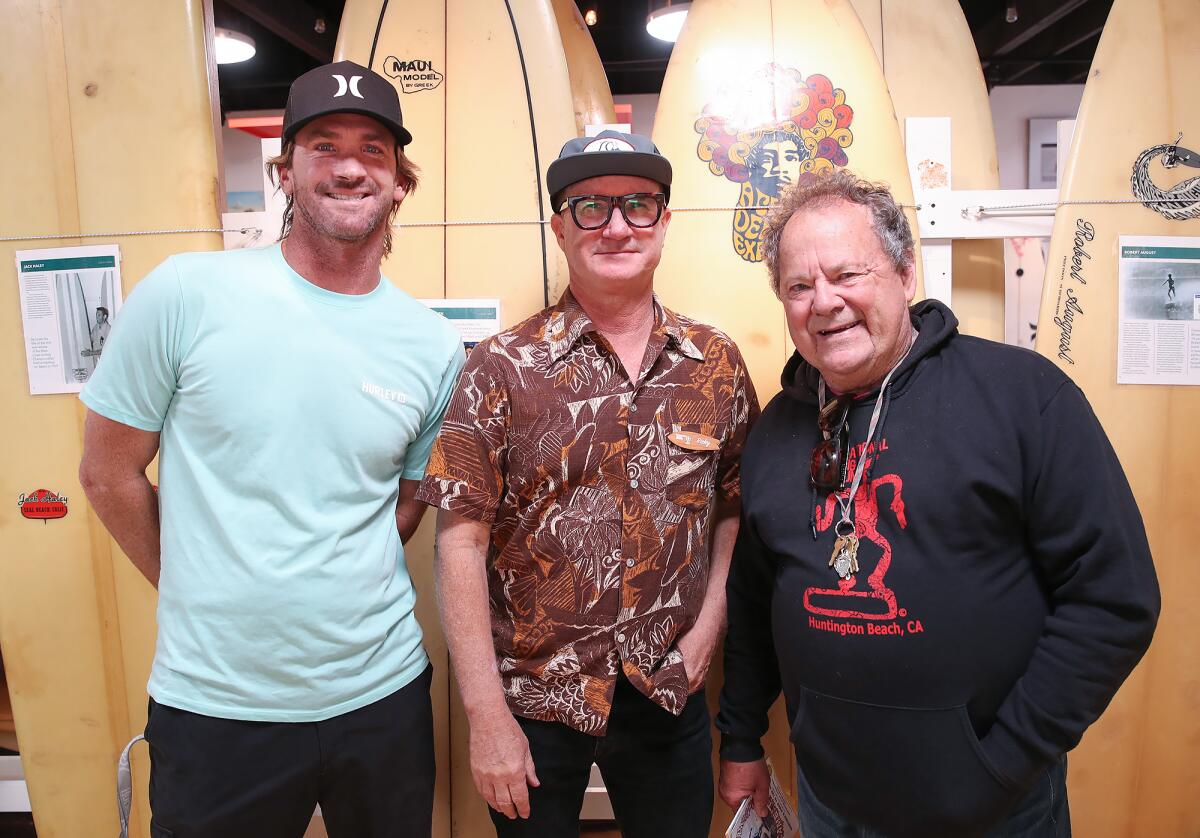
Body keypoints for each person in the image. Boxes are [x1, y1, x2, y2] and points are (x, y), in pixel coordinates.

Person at [78, 60, 464, 838]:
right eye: (324, 145)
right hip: (216, 707)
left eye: (374, 151)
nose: (350, 166)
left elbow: (411, 497)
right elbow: (107, 472)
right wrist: (199, 585)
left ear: (399, 184)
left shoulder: (432, 346)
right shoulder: (185, 294)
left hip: (381, 698)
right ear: (286, 171)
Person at [716, 171, 1160, 837]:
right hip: (833, 800)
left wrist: (1004, 764)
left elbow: (1115, 599)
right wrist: (744, 738)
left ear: (903, 271)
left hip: (996, 805)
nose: (823, 302)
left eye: (846, 275)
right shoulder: (777, 430)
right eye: (799, 287)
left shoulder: (1023, 397)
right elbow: (753, 602)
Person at [416, 130, 758, 837]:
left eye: (638, 205)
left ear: (665, 222)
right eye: (590, 208)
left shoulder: (714, 363)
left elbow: (736, 508)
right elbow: (458, 545)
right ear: (559, 227)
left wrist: (709, 629)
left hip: (667, 689)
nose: (617, 226)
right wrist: (484, 717)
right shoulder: (500, 367)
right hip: (533, 705)